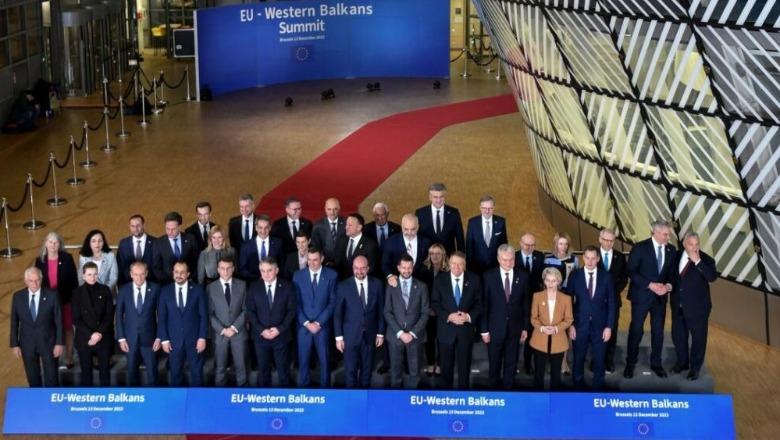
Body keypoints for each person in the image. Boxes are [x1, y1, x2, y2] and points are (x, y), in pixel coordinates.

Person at [625, 220, 676, 379]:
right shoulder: (640, 248)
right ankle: (630, 364)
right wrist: (649, 285)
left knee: (658, 332)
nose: (668, 237)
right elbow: (631, 271)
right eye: (665, 234)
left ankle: (656, 364)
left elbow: (672, 274)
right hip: (641, 296)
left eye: (668, 234)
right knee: (636, 330)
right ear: (655, 232)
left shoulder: (671, 250)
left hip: (660, 298)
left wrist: (668, 286)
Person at [480, 244, 529, 390]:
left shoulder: (523, 276)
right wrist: (484, 330)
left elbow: (526, 304)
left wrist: (525, 328)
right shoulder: (488, 276)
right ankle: (494, 392)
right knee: (494, 362)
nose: (508, 263)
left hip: (515, 328)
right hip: (494, 328)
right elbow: (484, 305)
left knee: (511, 362)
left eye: (511, 259)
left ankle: (508, 391)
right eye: (505, 260)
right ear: (498, 259)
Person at [671, 232, 717, 381]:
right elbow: (672, 277)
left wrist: (698, 262)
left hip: (698, 309)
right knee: (679, 337)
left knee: (698, 339)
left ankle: (695, 369)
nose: (694, 247)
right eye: (691, 244)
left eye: (697, 244)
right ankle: (682, 363)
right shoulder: (676, 256)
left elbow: (712, 277)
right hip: (678, 307)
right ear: (684, 244)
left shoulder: (706, 260)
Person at [431, 251, 481, 389]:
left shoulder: (475, 279)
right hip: (446, 330)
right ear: (449, 263)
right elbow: (435, 303)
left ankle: (463, 394)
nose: (456, 267)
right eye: (453, 263)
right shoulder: (440, 279)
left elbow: (479, 303)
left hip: (465, 331)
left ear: (465, 265)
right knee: (446, 368)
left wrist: (468, 316)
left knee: (464, 367)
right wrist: (448, 316)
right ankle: (447, 395)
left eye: (460, 264)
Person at [334, 255, 385, 387]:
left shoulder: (377, 284)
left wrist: (380, 333)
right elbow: (338, 314)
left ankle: (364, 396)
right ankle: (352, 397)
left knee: (367, 372)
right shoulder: (343, 286)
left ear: (368, 268)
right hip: (350, 337)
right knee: (350, 372)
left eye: (362, 268)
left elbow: (381, 311)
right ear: (352, 268)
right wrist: (339, 338)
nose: (359, 271)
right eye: (356, 268)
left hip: (370, 336)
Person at [570, 246, 616, 390]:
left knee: (599, 360)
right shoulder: (575, 276)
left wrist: (609, 327)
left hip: (600, 327)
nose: (590, 262)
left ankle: (598, 389)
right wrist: (571, 324)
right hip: (579, 325)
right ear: (583, 258)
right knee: (578, 359)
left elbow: (612, 304)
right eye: (587, 258)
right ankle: (578, 388)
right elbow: (568, 302)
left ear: (598, 259)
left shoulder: (606, 276)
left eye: (593, 258)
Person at [247, 257, 297, 387]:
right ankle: (265, 396)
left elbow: (291, 311)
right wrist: (262, 330)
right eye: (263, 271)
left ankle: (285, 396)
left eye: (269, 270)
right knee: (263, 371)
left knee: (283, 371)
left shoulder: (287, 287)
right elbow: (250, 312)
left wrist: (279, 329)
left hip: (281, 337)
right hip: (261, 337)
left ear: (277, 270)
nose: (266, 274)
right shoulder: (254, 287)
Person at [10, 267, 64, 387]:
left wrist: (59, 343)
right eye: (31, 281)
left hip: (48, 343)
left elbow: (59, 321)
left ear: (41, 279)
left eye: (37, 280)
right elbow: (14, 322)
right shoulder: (18, 297)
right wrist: (14, 344)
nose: (34, 284)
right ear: (25, 281)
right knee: (33, 378)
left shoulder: (52, 295)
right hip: (27, 344)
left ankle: (51, 399)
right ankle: (37, 399)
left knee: (52, 378)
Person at [158, 262, 208, 386]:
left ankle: (198, 397)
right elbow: (162, 318)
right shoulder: (165, 291)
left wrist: (202, 337)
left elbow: (203, 316)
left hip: (195, 341)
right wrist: (164, 340)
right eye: (176, 272)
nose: (178, 275)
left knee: (197, 374)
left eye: (182, 272)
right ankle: (177, 397)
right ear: (172, 273)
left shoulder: (198, 290)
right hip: (173, 341)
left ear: (188, 274)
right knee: (175, 375)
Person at [293, 247, 337, 387]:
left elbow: (332, 302)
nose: (312, 263)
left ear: (322, 259)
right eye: (309, 260)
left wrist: (318, 323)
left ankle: (325, 391)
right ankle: (304, 391)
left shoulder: (332, 275)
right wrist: (306, 323)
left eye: (315, 260)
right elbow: (295, 303)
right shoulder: (297, 276)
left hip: (322, 326)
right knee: (303, 361)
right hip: (303, 327)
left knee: (324, 361)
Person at [384, 254, 429, 388]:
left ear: (413, 267)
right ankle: (395, 398)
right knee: (395, 371)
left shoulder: (422, 286)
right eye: (403, 267)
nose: (406, 270)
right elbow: (387, 312)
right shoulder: (391, 286)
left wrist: (412, 333)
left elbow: (425, 313)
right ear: (398, 268)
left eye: (409, 267)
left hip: (415, 336)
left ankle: (412, 397)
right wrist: (400, 333)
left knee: (415, 372)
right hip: (395, 336)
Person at [34, 232, 78, 369]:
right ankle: (53, 357)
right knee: (51, 330)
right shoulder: (40, 261)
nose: (53, 245)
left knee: (68, 329)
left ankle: (69, 357)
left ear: (60, 244)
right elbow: (37, 283)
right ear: (45, 244)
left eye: (56, 242)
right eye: (50, 242)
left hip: (65, 301)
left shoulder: (67, 258)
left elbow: (74, 281)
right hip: (48, 303)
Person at [115, 262, 161, 386]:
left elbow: (162, 316)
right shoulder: (123, 290)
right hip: (130, 339)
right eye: (135, 274)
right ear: (131, 274)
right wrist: (121, 338)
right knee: (131, 373)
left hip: (150, 339)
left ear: (146, 273)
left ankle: (153, 397)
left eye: (141, 274)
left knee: (153, 373)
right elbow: (118, 315)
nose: (139, 278)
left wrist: (159, 337)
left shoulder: (155, 289)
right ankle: (134, 396)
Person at [529, 267, 573, 390]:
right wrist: (542, 328)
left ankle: (555, 397)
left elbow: (569, 319)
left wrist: (556, 329)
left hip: (558, 340)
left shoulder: (566, 298)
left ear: (559, 281)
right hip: (539, 339)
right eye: (548, 280)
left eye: (554, 281)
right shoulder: (537, 296)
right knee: (539, 374)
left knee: (556, 375)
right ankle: (538, 397)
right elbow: (533, 318)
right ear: (544, 281)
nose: (550, 284)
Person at [207, 257, 248, 387]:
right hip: (219, 334)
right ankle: (220, 394)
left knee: (241, 367)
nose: (225, 271)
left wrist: (234, 328)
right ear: (218, 270)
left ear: (233, 269)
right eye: (222, 268)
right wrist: (223, 330)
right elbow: (209, 314)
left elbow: (246, 310)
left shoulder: (242, 285)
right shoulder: (210, 288)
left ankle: (242, 393)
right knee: (220, 368)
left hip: (238, 333)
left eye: (228, 268)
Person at [72, 262, 114, 386]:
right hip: (84, 338)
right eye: (89, 274)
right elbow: (76, 319)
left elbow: (109, 315)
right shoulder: (77, 293)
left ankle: (105, 395)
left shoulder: (105, 290)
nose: (92, 277)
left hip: (103, 337)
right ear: (83, 276)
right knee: (86, 372)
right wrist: (91, 335)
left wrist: (98, 334)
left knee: (105, 372)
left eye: (95, 274)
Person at [515, 232, 545, 375]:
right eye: (527, 244)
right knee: (515, 334)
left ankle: (528, 362)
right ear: (520, 243)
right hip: (517, 302)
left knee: (531, 333)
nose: (529, 247)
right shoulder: (513, 256)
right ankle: (513, 363)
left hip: (534, 302)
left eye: (532, 245)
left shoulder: (540, 257)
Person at [599, 228, 628, 373]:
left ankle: (609, 361)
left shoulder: (620, 257)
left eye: (611, 241)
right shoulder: (592, 254)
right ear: (600, 239)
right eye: (606, 240)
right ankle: (597, 360)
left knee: (612, 331)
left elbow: (624, 278)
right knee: (596, 331)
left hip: (613, 301)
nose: (608, 243)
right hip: (595, 302)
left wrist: (612, 293)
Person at [420, 243, 448, 376]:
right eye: (432, 253)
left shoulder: (448, 271)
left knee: (442, 339)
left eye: (438, 253)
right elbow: (421, 293)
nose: (434, 256)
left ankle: (441, 364)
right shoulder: (423, 270)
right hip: (428, 311)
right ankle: (430, 363)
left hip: (444, 312)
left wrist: (440, 310)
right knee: (429, 339)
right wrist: (428, 309)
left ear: (443, 255)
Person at [415, 183, 465, 254]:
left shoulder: (454, 213)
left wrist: (461, 257)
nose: (439, 200)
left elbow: (460, 239)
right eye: (435, 197)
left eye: (441, 197)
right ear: (430, 197)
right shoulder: (420, 213)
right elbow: (417, 238)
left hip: (448, 257)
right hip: (427, 257)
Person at [381, 213, 432, 281]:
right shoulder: (391, 242)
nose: (409, 233)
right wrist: (390, 276)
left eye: (413, 229)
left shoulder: (426, 243)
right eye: (406, 229)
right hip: (397, 282)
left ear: (418, 227)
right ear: (402, 227)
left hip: (420, 283)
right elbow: (385, 264)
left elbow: (428, 264)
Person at [466, 195, 507, 275]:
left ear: (494, 208)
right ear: (480, 208)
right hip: (477, 267)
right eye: (484, 208)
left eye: (490, 208)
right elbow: (469, 247)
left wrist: (504, 264)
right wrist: (469, 268)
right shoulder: (472, 222)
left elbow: (504, 245)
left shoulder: (501, 222)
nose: (487, 211)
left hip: (496, 266)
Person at [153, 212, 198, 285]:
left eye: (173, 229)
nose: (170, 232)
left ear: (180, 227)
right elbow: (156, 268)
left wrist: (189, 278)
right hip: (167, 284)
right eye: (167, 228)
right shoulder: (158, 243)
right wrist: (169, 281)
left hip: (188, 282)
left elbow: (196, 262)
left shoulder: (191, 239)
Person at [333, 213, 379, 279]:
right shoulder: (342, 239)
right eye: (346, 224)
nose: (346, 227)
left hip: (360, 280)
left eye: (350, 225)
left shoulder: (370, 245)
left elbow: (370, 269)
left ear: (359, 227)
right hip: (342, 281)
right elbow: (337, 261)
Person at [239, 214, 283, 281]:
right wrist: (258, 278)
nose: (263, 231)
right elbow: (243, 269)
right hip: (253, 282)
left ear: (270, 228)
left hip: (273, 281)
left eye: (266, 228)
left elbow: (281, 265)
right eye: (260, 228)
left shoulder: (278, 243)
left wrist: (271, 277)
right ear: (256, 228)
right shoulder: (246, 246)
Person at [117, 214, 157, 286]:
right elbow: (120, 266)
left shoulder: (155, 242)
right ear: (129, 227)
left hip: (151, 284)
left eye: (138, 225)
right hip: (128, 284)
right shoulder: (123, 243)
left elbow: (157, 266)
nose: (135, 229)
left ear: (143, 225)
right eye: (132, 226)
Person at [311, 198, 346, 264]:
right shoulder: (317, 225)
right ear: (325, 209)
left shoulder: (346, 224)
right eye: (329, 209)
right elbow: (316, 247)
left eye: (335, 209)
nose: (332, 213)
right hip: (324, 263)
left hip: (343, 263)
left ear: (339, 209)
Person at [228, 194, 257, 262]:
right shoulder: (233, 223)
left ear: (253, 206)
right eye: (241, 207)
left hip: (256, 260)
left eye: (247, 206)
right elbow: (233, 244)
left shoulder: (260, 220)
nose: (244, 209)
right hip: (239, 260)